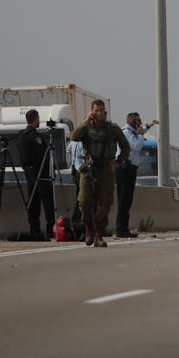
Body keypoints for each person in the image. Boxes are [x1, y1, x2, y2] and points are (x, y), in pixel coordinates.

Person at [70, 100, 130, 248]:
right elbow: (74, 137)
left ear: (105, 112)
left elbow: (125, 147)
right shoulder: (86, 128)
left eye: (101, 110)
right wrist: (85, 122)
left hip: (105, 169)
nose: (98, 113)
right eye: (95, 110)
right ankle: (88, 228)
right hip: (88, 168)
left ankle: (98, 235)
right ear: (91, 111)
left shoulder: (113, 128)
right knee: (84, 201)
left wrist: (118, 161)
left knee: (105, 204)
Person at [115, 112, 157, 238]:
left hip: (129, 168)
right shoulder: (127, 132)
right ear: (131, 122)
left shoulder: (132, 132)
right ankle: (121, 229)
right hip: (124, 168)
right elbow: (137, 146)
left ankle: (123, 228)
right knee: (123, 200)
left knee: (127, 200)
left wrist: (149, 126)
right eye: (137, 121)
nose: (140, 124)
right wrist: (140, 135)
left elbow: (140, 132)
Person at [16, 109, 56, 241]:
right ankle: (51, 229)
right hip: (39, 171)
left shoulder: (21, 135)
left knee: (33, 202)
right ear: (35, 119)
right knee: (48, 201)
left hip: (28, 172)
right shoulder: (35, 136)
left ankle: (34, 229)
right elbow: (42, 154)